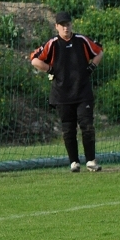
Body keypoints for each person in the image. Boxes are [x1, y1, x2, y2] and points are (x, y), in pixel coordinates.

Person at [30, 11, 103, 172]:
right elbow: (34, 59)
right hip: (62, 94)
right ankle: (74, 162)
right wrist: (50, 69)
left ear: (71, 25)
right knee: (68, 130)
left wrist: (92, 66)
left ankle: (91, 161)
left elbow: (99, 51)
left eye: (68, 24)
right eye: (62, 25)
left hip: (83, 92)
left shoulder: (81, 40)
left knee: (87, 126)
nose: (66, 28)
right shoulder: (52, 44)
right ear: (56, 26)